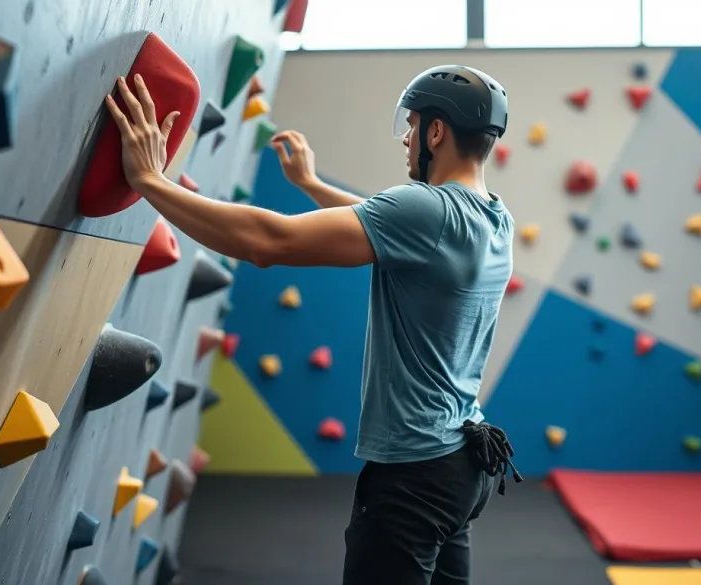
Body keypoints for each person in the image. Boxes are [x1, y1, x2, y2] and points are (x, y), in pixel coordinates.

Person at [104, 63, 522, 585]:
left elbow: (265, 242)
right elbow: (382, 227)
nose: (408, 139)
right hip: (461, 468)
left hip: (413, 477)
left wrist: (149, 181)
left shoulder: (425, 209)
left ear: (437, 131)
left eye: (414, 127)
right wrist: (311, 185)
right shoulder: (493, 217)